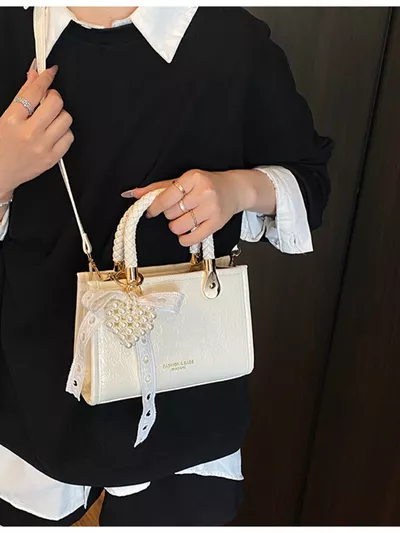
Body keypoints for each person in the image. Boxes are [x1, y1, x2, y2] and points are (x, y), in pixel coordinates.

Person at [0, 6, 333, 526]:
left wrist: (235, 190)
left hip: (186, 396)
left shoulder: (231, 40)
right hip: (30, 390)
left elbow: (310, 182)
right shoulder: (9, 31)